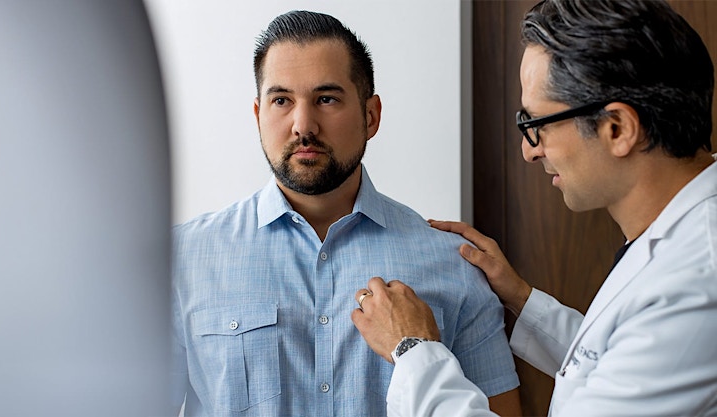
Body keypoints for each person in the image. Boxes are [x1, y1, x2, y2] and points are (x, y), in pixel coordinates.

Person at [351, 0, 717, 415]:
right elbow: (620, 363)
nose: (529, 151)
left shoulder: (697, 279)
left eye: (537, 125)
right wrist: (521, 298)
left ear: (617, 129)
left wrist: (413, 350)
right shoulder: (682, 249)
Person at [171, 10, 521, 416]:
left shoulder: (455, 264)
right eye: (281, 100)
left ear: (370, 116)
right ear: (258, 115)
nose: (303, 125)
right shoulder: (182, 259)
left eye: (326, 99)